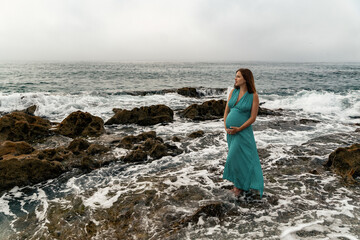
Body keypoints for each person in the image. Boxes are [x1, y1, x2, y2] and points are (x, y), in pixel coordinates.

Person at [223, 68, 264, 198]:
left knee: (236, 157)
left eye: (238, 77)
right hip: (230, 133)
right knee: (237, 159)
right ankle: (239, 185)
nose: (235, 79)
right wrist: (225, 125)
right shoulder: (233, 92)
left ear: (246, 79)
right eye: (235, 76)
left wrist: (239, 129)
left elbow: (253, 118)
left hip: (243, 133)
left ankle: (240, 186)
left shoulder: (253, 96)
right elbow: (226, 110)